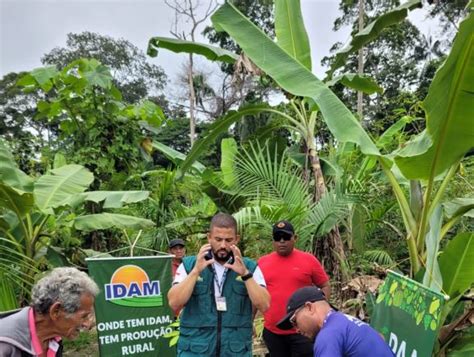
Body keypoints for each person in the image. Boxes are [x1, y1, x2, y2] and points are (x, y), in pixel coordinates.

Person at [168, 212, 270, 356]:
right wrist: (196, 271)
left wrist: (245, 274)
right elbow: (174, 302)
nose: (223, 245)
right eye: (218, 239)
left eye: (229, 240)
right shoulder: (189, 265)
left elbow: (264, 305)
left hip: (234, 349)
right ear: (209, 237)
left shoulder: (249, 266)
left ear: (237, 239)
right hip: (196, 349)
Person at [258, 220, 330, 357]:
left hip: (303, 333)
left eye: (286, 237)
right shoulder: (262, 263)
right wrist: (250, 321)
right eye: (277, 238)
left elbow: (324, 285)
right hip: (273, 332)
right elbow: (255, 293)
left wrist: (321, 315)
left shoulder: (308, 260)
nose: (282, 241)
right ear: (273, 241)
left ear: (295, 238)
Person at [0, 267, 99, 357]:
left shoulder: (54, 339)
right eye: (84, 316)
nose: (88, 324)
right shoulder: (5, 346)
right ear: (55, 311)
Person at [277, 286, 395, 357]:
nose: (296, 330)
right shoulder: (343, 320)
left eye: (294, 321)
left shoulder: (328, 335)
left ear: (309, 307)